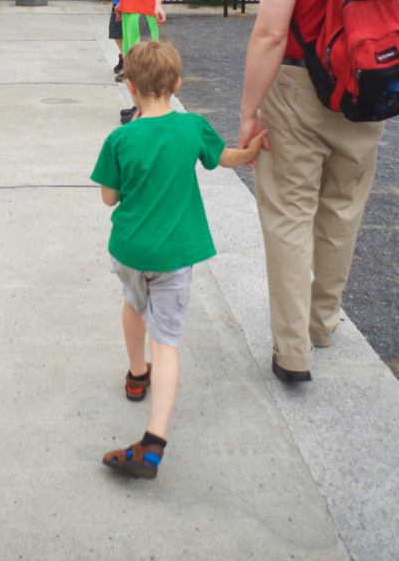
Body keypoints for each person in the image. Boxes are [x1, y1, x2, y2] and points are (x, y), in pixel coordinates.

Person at [238, 0, 399, 383]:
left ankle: (292, 353)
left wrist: (248, 112)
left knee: (289, 215)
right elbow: (396, 21)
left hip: (297, 89)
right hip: (365, 92)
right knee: (343, 210)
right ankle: (322, 322)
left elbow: (270, 32)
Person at [92, 40, 266, 479]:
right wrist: (249, 153)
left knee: (133, 304)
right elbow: (224, 158)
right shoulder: (192, 128)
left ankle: (136, 377)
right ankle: (153, 441)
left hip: (130, 250)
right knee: (166, 342)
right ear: (177, 84)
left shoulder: (120, 138)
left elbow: (108, 199)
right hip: (174, 254)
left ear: (130, 88)